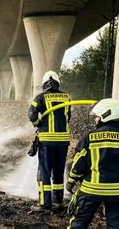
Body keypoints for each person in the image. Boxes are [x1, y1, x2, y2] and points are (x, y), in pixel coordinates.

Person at [66, 99, 119, 228]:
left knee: (79, 223)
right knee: (116, 225)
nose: (95, 119)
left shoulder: (90, 138)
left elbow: (79, 163)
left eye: (97, 116)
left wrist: (71, 181)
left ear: (106, 115)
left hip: (91, 190)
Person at [28, 70, 71, 211]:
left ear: (44, 84)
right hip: (63, 142)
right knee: (58, 171)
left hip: (47, 141)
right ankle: (58, 201)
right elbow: (67, 117)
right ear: (57, 83)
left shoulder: (40, 98)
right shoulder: (67, 97)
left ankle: (45, 204)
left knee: (44, 172)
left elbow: (32, 115)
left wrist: (39, 123)